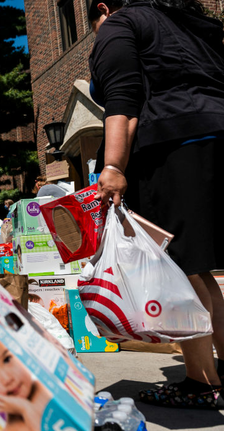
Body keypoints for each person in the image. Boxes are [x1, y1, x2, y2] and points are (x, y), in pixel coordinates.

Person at [88, 0, 223, 409]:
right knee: (199, 265)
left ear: (101, 8)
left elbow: (122, 100)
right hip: (219, 132)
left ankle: (202, 383)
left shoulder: (119, 25)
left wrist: (111, 166)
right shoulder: (189, 23)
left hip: (172, 143)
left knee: (179, 265)